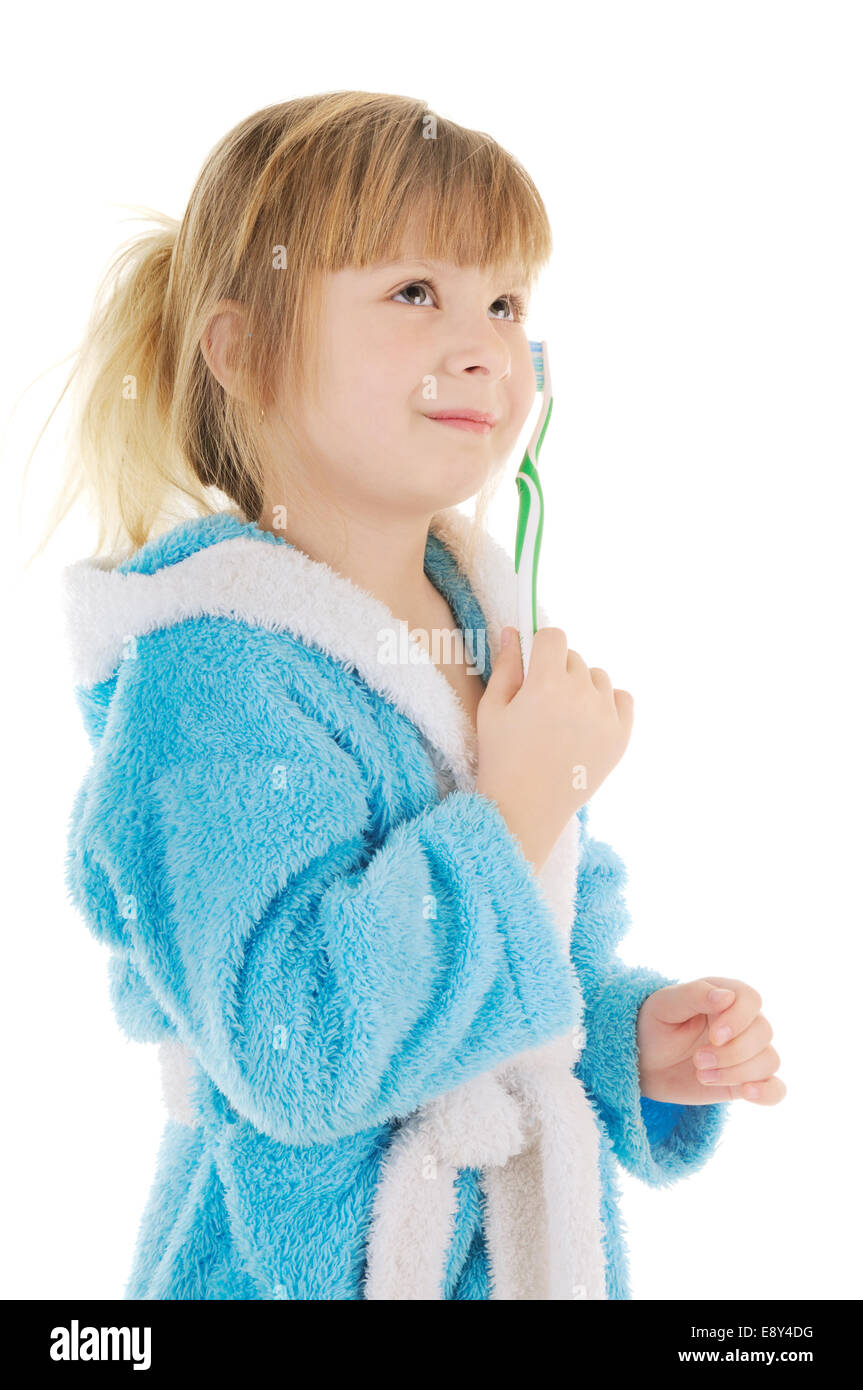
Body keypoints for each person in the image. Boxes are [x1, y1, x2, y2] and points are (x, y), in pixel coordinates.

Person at [51, 92, 784, 1300]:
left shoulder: (483, 637)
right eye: (413, 294)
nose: (483, 343)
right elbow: (297, 1047)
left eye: (503, 303)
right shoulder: (209, 683)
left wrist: (623, 1036)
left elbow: (546, 949)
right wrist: (511, 810)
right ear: (242, 351)